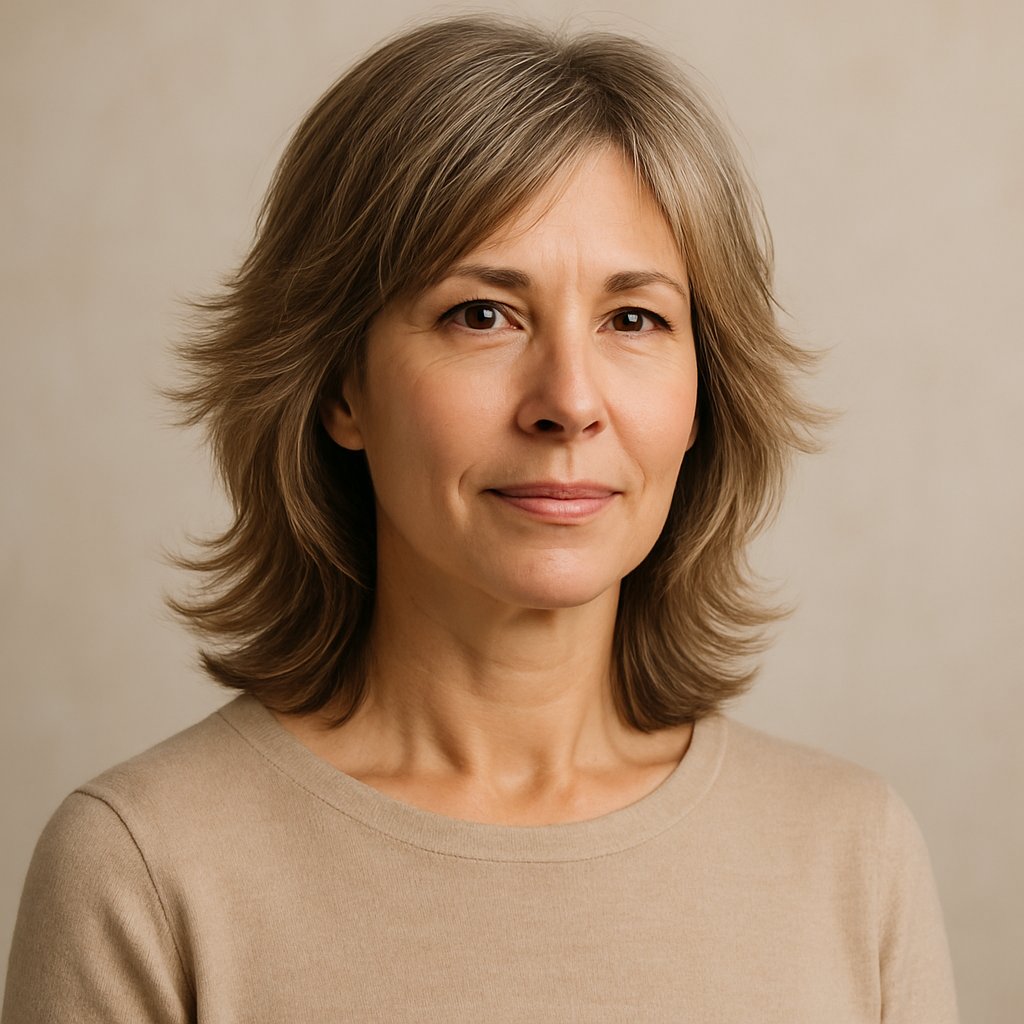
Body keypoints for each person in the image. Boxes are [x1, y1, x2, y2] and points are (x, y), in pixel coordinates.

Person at [2, 15, 958, 1023]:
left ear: (700, 397)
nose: (569, 400)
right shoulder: (145, 870)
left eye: (633, 317)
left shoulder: (852, 856)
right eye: (482, 313)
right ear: (341, 388)